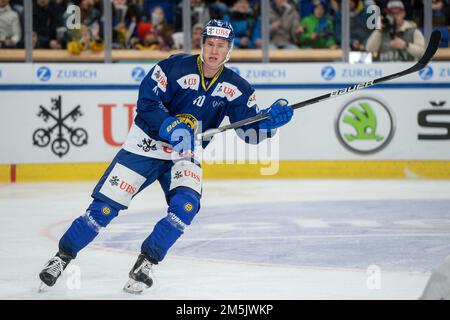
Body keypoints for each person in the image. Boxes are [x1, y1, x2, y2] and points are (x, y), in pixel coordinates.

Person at [38, 19, 294, 294]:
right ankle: (61, 258)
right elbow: (147, 103)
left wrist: (268, 124)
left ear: (229, 50)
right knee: (102, 210)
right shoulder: (173, 67)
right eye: (210, 44)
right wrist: (169, 125)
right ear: (202, 44)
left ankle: (145, 263)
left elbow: (248, 132)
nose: (214, 51)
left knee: (185, 207)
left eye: (221, 46)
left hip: (185, 153)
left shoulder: (237, 87)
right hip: (145, 147)